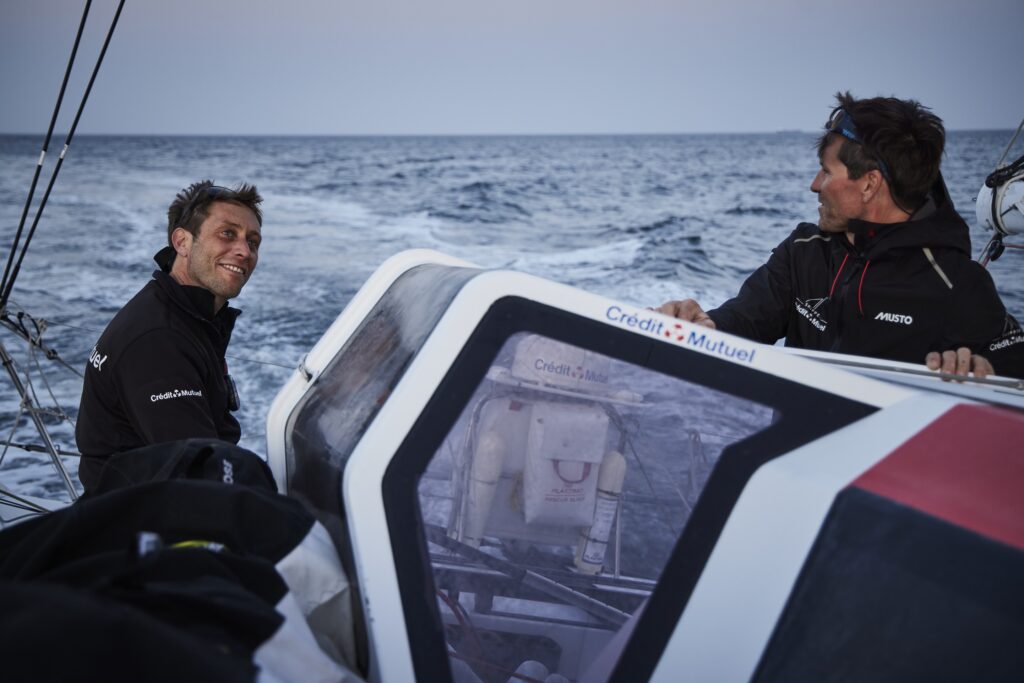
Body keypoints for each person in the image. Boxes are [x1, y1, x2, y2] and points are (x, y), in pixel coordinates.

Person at [658, 92, 1023, 379]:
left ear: (869, 184)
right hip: (792, 452)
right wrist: (706, 325)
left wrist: (978, 368)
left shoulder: (956, 283)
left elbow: (1012, 373)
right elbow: (745, 319)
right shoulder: (804, 251)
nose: (814, 185)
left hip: (884, 471)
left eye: (826, 171)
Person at [75, 180, 263, 491]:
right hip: (139, 518)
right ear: (182, 242)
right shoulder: (159, 339)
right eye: (227, 234)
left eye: (253, 242)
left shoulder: (189, 316)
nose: (244, 251)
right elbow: (202, 475)